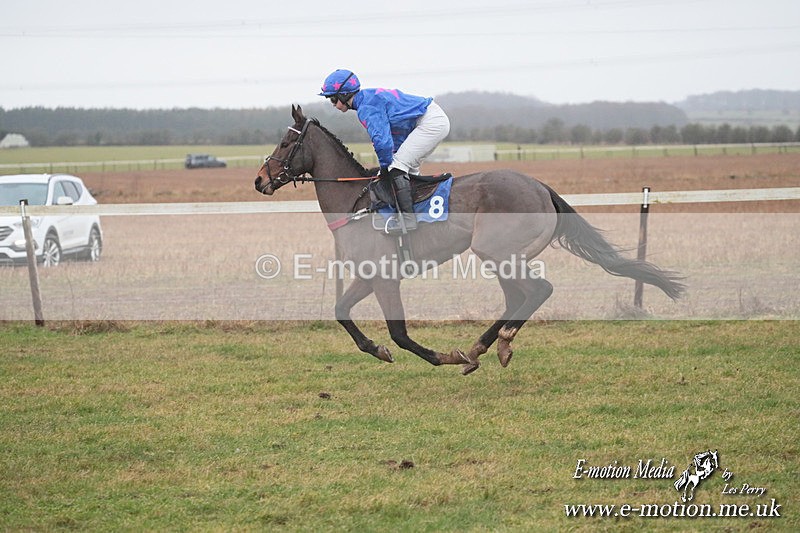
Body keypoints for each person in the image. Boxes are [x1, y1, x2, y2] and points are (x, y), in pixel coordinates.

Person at [319, 69, 450, 231]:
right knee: (405, 171)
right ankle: (419, 215)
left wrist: (384, 166)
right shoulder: (367, 100)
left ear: (344, 94)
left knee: (396, 167)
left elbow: (383, 142)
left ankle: (408, 221)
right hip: (427, 120)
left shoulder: (366, 107)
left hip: (430, 122)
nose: (333, 104)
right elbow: (395, 135)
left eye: (333, 99)